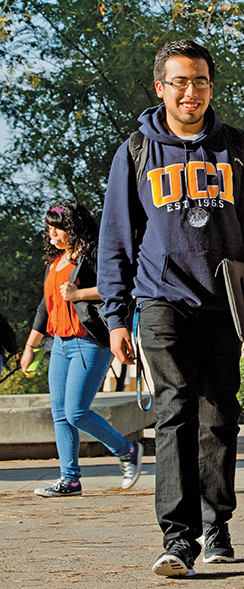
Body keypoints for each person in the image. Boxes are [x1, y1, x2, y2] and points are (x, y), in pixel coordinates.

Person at [98, 40, 244, 577]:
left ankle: (215, 521)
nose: (191, 92)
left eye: (200, 81)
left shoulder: (237, 149)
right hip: (161, 300)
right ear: (160, 88)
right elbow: (116, 239)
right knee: (174, 410)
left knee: (219, 415)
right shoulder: (136, 151)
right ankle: (178, 539)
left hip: (224, 303)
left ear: (210, 87)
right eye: (180, 81)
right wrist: (114, 317)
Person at [20, 200, 142, 497]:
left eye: (57, 228)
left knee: (76, 412)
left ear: (72, 227)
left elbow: (118, 286)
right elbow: (45, 307)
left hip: (88, 341)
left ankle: (127, 450)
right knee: (60, 415)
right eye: (49, 229)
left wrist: (79, 293)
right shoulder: (56, 261)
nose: (52, 234)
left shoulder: (93, 254)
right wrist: (30, 347)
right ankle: (70, 480)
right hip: (60, 345)